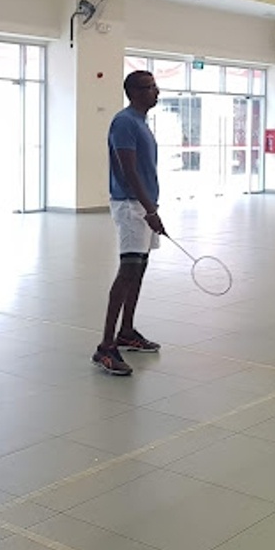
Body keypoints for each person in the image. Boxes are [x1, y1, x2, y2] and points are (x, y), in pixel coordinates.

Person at [93, 70, 165, 376]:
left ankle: (127, 332)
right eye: (150, 87)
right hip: (131, 207)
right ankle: (106, 347)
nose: (157, 92)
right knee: (127, 272)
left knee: (139, 271)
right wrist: (149, 209)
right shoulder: (124, 122)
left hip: (144, 206)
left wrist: (151, 206)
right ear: (134, 91)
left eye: (155, 86)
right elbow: (128, 171)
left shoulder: (140, 122)